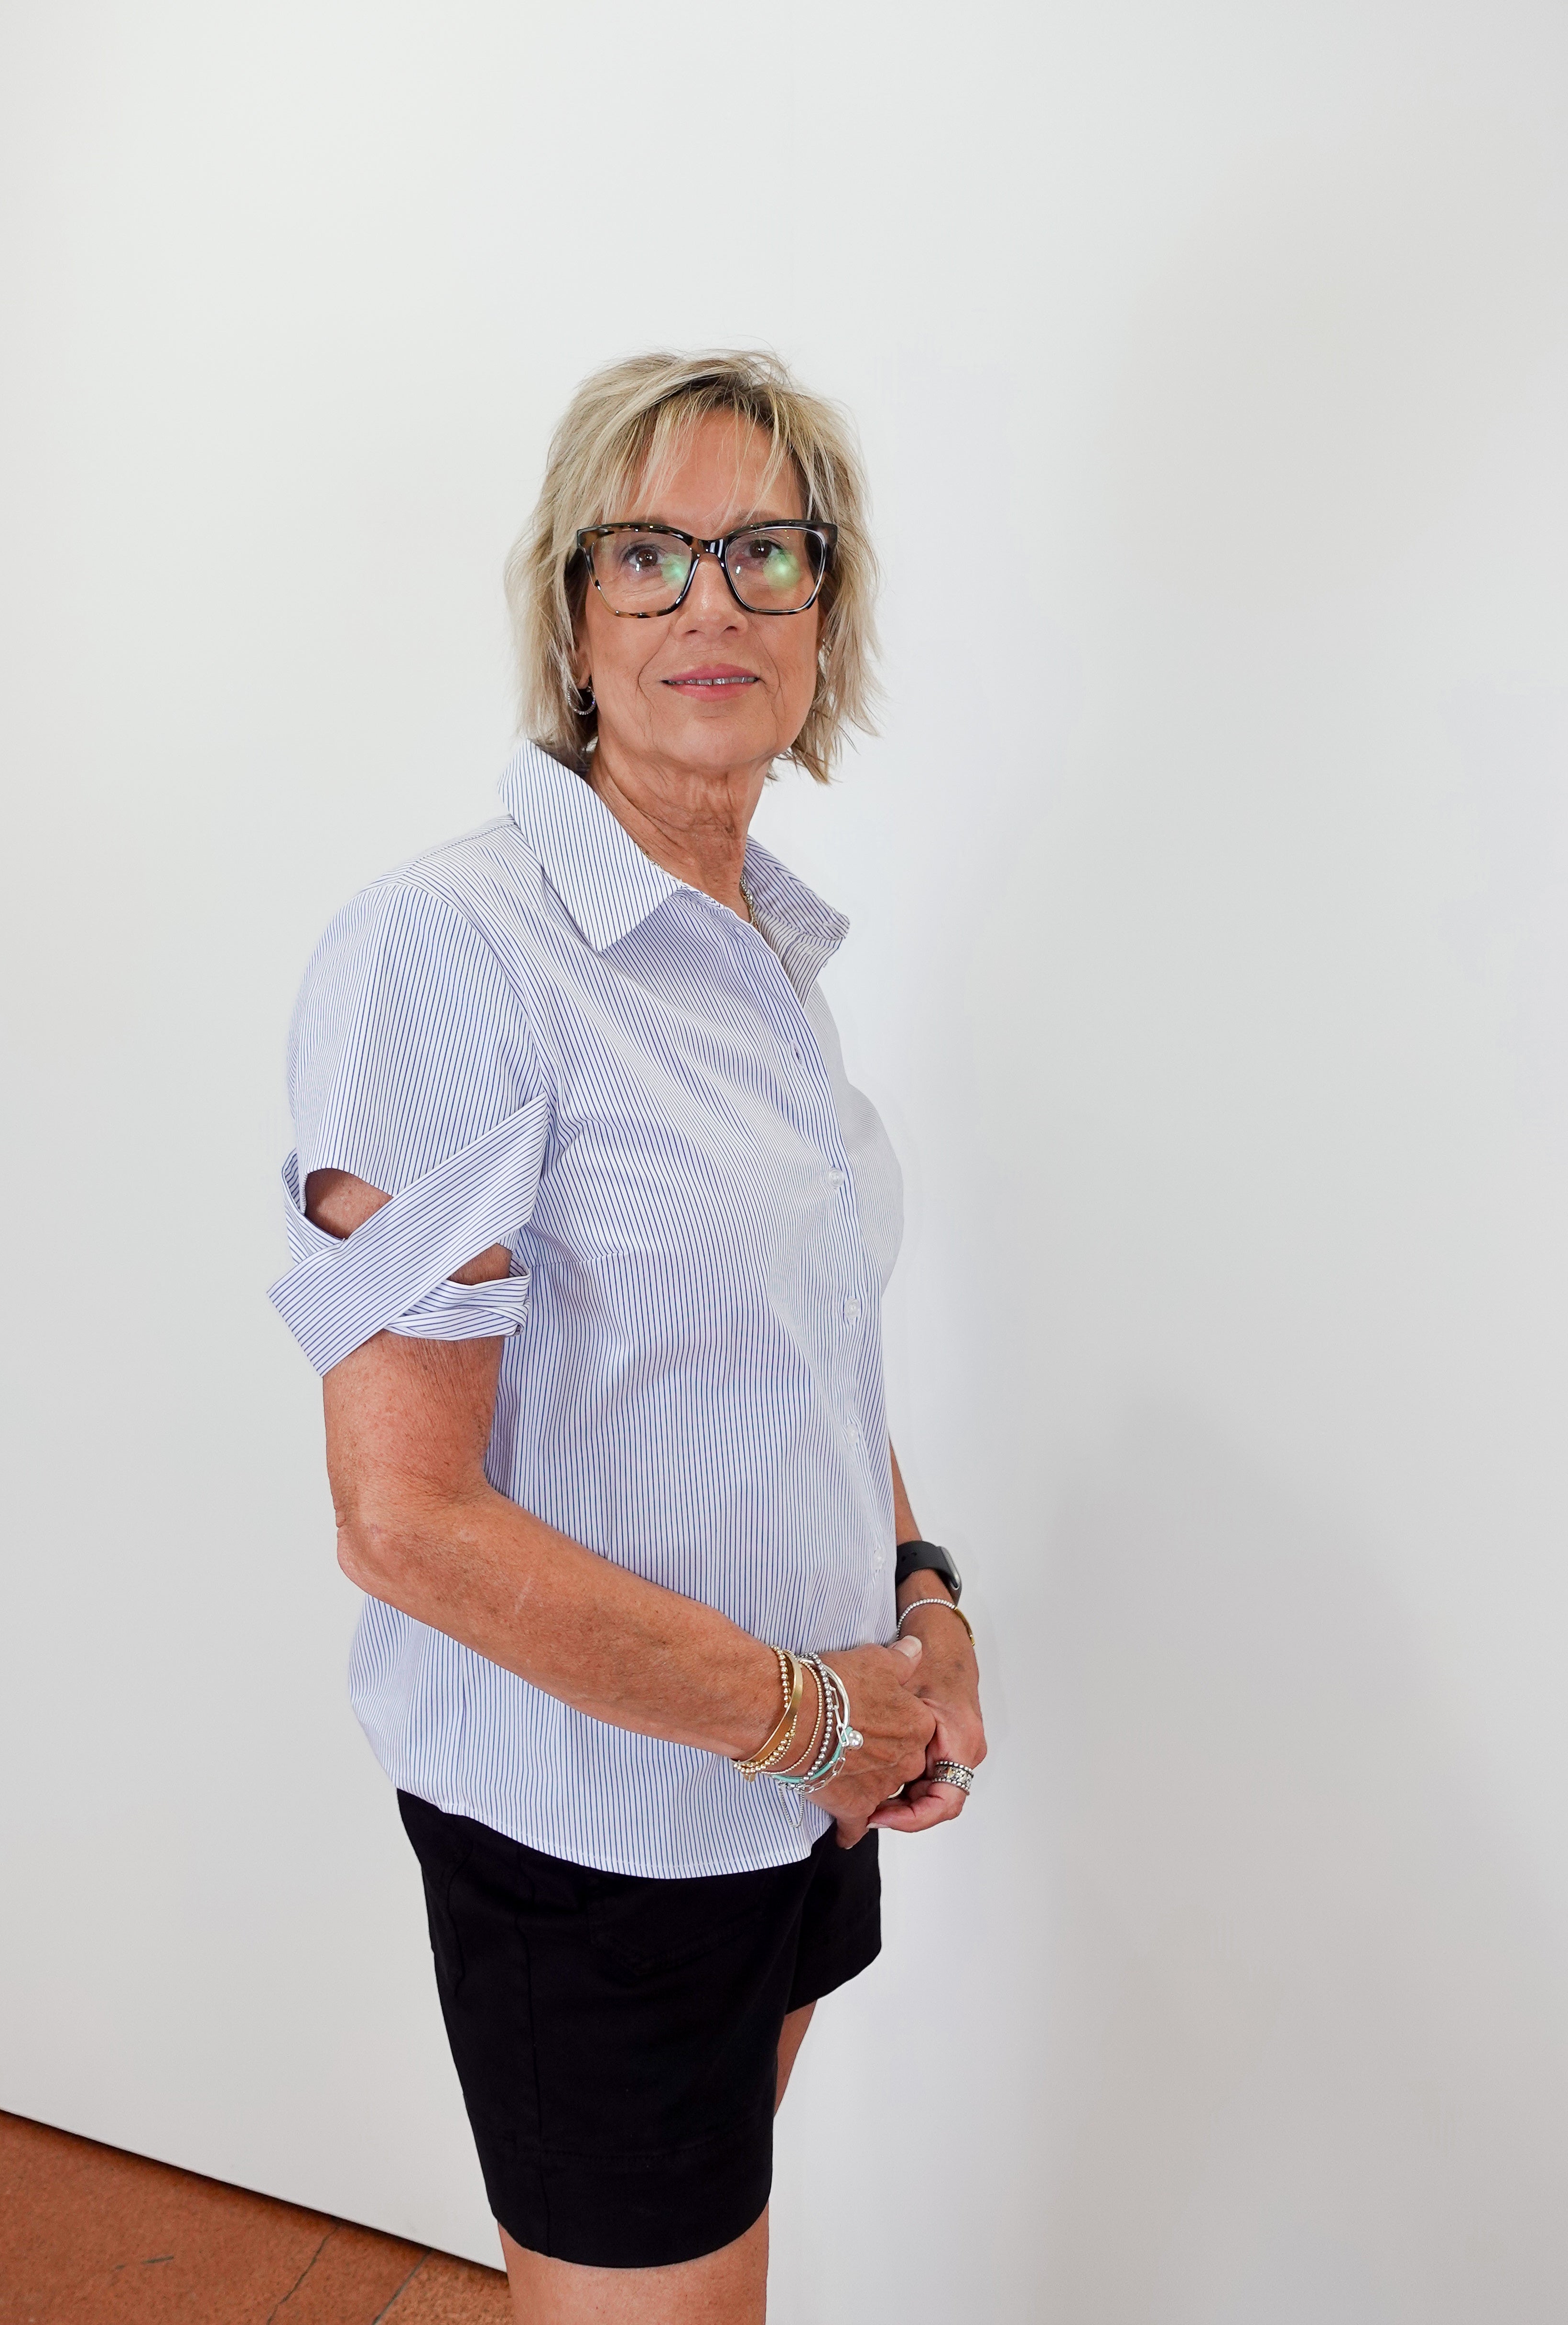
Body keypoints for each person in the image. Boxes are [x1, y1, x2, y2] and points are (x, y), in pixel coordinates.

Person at [268, 348, 985, 2325]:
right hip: (597, 1841)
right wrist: (826, 1710)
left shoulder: (760, 947)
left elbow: (803, 1341)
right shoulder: (449, 949)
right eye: (650, 551)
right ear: (571, 611)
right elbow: (401, 1519)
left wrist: (922, 1602)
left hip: (787, 1789)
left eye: (770, 550)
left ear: (824, 617)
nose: (712, 601)